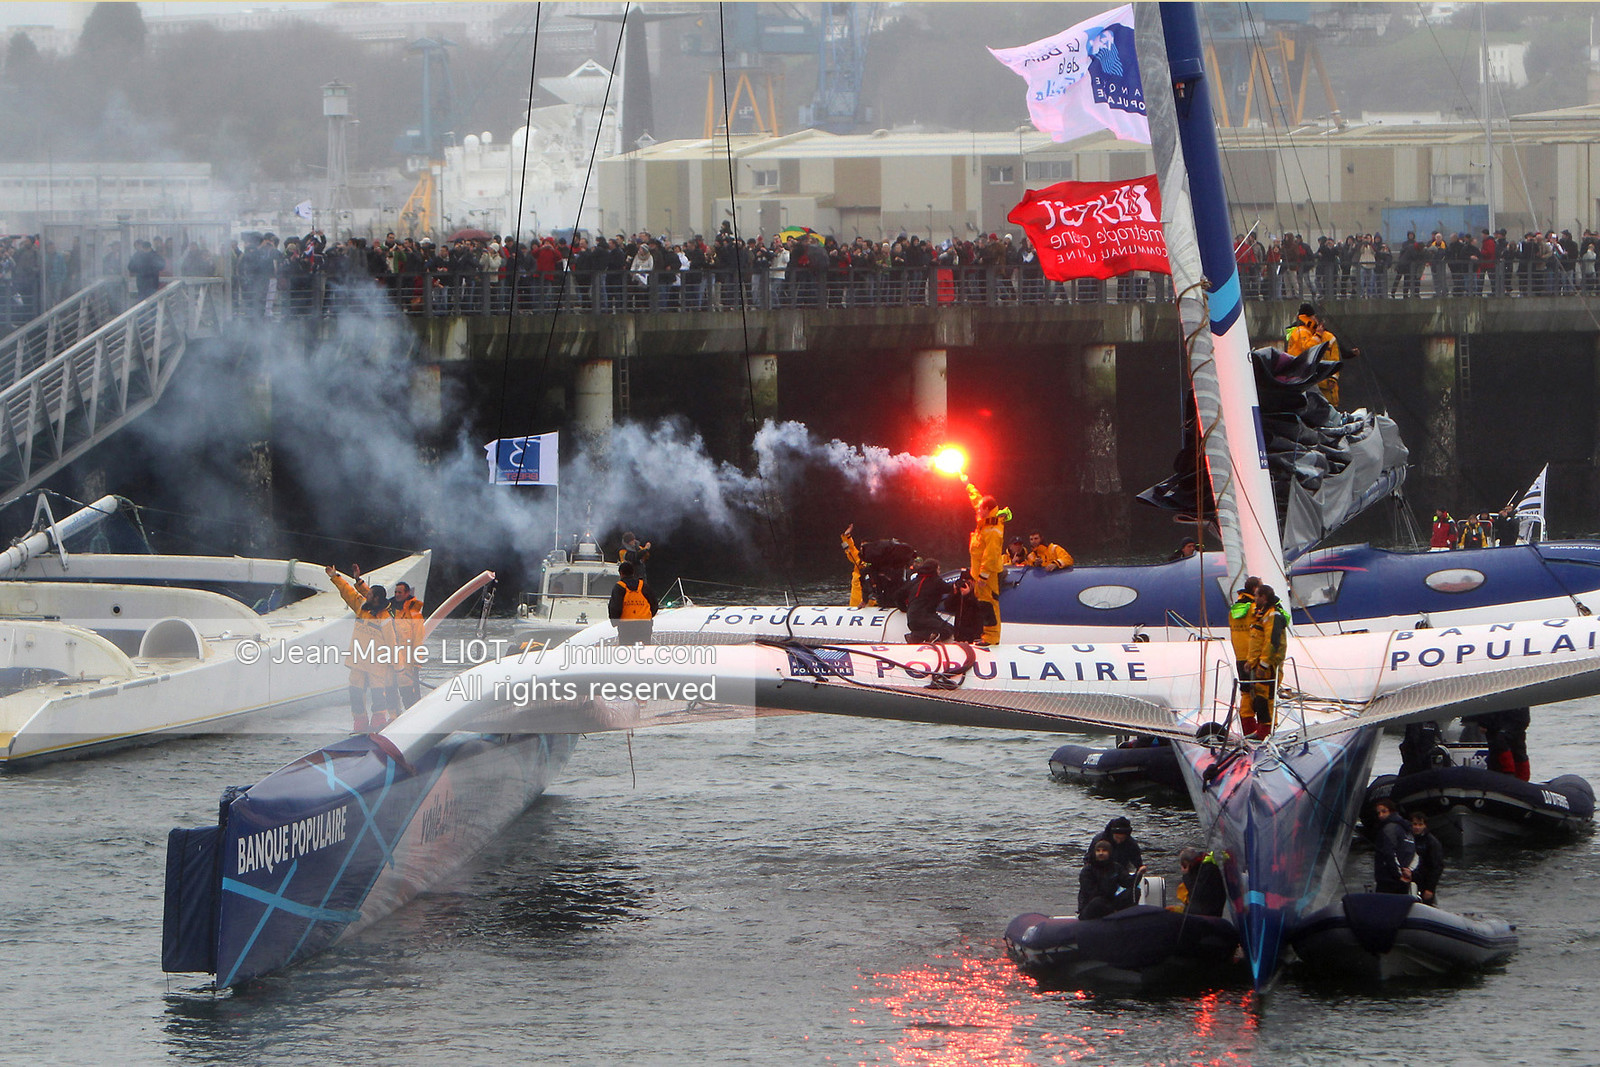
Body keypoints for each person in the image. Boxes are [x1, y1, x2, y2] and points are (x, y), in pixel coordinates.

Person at [325, 563, 400, 732]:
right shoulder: (361, 607)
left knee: (378, 693)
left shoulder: (385, 619)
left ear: (377, 599)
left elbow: (392, 644)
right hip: (358, 660)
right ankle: (359, 721)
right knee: (355, 691)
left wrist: (398, 667)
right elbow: (347, 592)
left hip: (376, 664)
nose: (366, 596)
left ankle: (378, 720)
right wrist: (334, 577)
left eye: (370, 595)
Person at [1244, 584, 1289, 740]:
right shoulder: (1263, 615)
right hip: (1259, 663)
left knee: (1266, 697)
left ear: (1264, 597)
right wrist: (1251, 661)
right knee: (1259, 698)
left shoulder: (1273, 616)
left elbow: (1271, 642)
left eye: (1257, 596)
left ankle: (1267, 731)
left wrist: (1263, 664)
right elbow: (1257, 641)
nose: (1255, 599)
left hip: (1269, 665)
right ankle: (1262, 729)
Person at [965, 485, 1008, 644]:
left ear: (987, 509)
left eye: (980, 508)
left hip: (987, 574)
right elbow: (977, 500)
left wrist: (983, 576)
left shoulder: (992, 529)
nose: (977, 510)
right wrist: (967, 484)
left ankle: (991, 637)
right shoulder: (985, 518)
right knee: (984, 602)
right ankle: (987, 635)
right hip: (979, 572)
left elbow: (991, 555)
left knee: (989, 603)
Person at [1078, 837, 1145, 920]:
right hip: (1091, 905)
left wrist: (1139, 874)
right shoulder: (1087, 870)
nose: (1101, 853)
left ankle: (1127, 917)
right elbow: (1091, 893)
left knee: (1134, 891)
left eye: (1104, 851)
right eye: (1098, 851)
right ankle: (1114, 914)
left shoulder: (1116, 867)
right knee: (1098, 901)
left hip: (1109, 902)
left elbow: (1128, 882)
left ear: (1110, 853)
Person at [1229, 576, 1262, 732]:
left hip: (1239, 656)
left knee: (1246, 691)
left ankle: (1248, 727)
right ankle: (1263, 729)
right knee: (1262, 690)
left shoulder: (1234, 609)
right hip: (1253, 656)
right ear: (1255, 589)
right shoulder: (1255, 609)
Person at [1464, 706, 1531, 780]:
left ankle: (1508, 779)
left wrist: (1484, 722)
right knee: (1517, 752)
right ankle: (1517, 782)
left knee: (1502, 751)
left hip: (1499, 725)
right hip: (1515, 722)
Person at [388, 580, 425, 709]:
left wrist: (417, 662)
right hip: (391, 661)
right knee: (390, 694)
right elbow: (372, 597)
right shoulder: (390, 609)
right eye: (395, 592)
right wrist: (359, 581)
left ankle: (415, 718)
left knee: (409, 695)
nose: (397, 595)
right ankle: (394, 721)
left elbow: (418, 640)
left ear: (407, 593)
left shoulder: (414, 614)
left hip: (408, 664)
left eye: (400, 592)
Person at [897, 558, 954, 641]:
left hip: (912, 618)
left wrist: (904, 608)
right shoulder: (936, 581)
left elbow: (898, 595)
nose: (939, 572)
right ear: (934, 570)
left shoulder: (914, 581)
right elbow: (950, 588)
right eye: (938, 569)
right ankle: (916, 637)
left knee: (943, 627)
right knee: (947, 629)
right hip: (925, 617)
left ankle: (921, 636)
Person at [1370, 798, 1416, 895]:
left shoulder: (1389, 828)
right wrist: (1409, 871)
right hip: (1405, 877)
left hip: (1388, 879)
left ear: (1392, 811)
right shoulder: (1408, 830)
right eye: (1378, 813)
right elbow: (1414, 854)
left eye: (1384, 811)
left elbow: (1389, 853)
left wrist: (1398, 874)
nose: (1381, 815)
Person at [608, 560, 658, 645]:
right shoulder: (643, 586)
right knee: (645, 650)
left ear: (621, 573)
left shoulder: (619, 587)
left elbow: (615, 607)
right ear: (633, 572)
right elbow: (654, 604)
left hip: (626, 626)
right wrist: (648, 616)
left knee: (627, 652)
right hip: (645, 625)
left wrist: (615, 621)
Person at [1171, 847, 1228, 917]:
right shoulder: (1205, 866)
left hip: (1207, 912)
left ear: (1187, 864)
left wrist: (1186, 875)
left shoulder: (1206, 870)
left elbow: (1195, 893)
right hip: (1210, 908)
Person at [1410, 811, 1444, 906]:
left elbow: (1437, 867)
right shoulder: (1408, 839)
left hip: (1425, 882)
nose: (1417, 827)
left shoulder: (1432, 842)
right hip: (1411, 880)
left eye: (1420, 824)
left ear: (1425, 825)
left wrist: (1430, 889)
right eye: (1415, 824)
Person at [841, 523, 870, 608]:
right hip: (856, 597)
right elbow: (851, 548)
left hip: (871, 598)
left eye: (865, 546)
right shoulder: (858, 557)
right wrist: (847, 535)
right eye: (862, 546)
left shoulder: (877, 559)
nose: (863, 548)